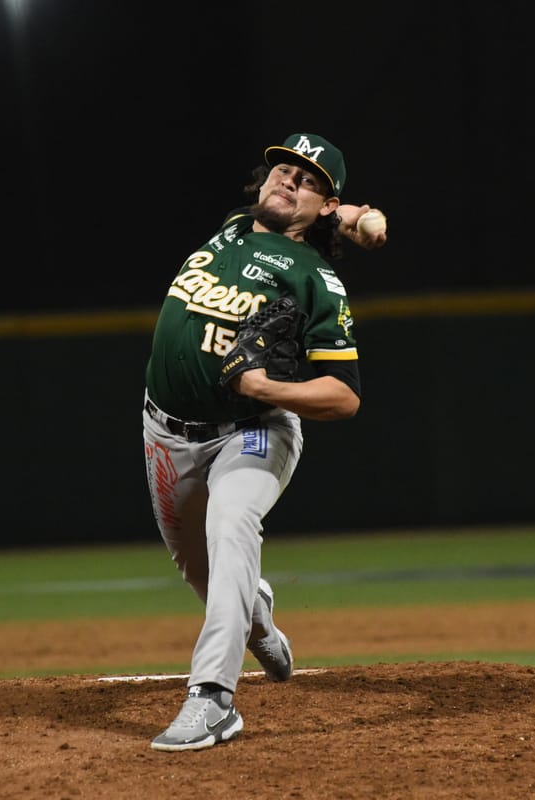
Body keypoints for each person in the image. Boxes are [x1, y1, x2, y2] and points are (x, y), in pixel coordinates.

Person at [141, 132, 387, 751]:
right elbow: (343, 214)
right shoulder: (234, 226)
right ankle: (258, 618)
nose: (289, 180)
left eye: (309, 181)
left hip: (252, 431)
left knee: (231, 528)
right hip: (164, 433)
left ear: (322, 205)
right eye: (285, 168)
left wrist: (266, 387)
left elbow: (345, 395)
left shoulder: (317, 280)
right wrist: (358, 214)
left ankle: (213, 700)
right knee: (202, 569)